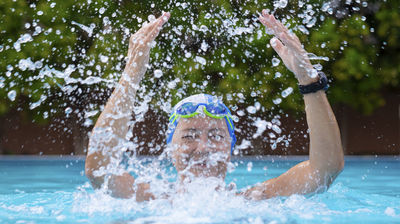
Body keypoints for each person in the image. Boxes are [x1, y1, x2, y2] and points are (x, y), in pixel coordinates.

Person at [85, 10, 344, 201]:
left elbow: (325, 170)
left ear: (231, 146)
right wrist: (131, 75)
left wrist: (308, 80)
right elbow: (98, 171)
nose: (203, 147)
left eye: (216, 135)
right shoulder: (149, 199)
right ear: (170, 145)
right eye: (189, 136)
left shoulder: (252, 200)